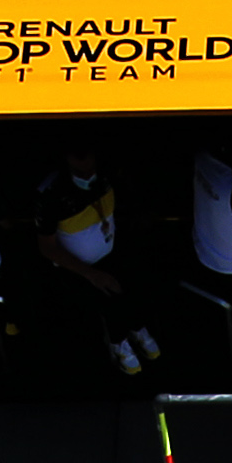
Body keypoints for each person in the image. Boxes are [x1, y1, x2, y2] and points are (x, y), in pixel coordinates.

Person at [25, 145, 160, 382]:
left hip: (111, 250)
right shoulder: (50, 194)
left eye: (91, 168)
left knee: (132, 280)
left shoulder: (108, 172)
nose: (88, 176)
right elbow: (46, 247)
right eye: (80, 171)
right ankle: (118, 342)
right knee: (104, 295)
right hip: (76, 268)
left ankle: (135, 326)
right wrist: (90, 274)